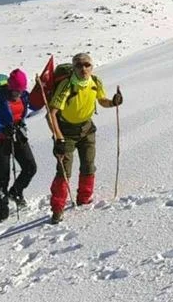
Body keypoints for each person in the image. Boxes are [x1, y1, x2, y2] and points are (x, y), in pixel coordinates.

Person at [47, 53, 122, 224]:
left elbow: (101, 100)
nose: (83, 69)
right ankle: (57, 209)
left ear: (92, 67)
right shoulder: (67, 85)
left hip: (87, 129)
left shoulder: (95, 82)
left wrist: (113, 102)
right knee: (64, 171)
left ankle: (84, 199)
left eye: (87, 65)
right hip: (66, 132)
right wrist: (59, 138)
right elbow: (52, 113)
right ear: (74, 68)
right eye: (79, 65)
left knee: (88, 165)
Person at [0, 68, 37, 222]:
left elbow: (35, 105)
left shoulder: (24, 95)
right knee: (3, 177)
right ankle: (3, 211)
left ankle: (15, 192)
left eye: (21, 90)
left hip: (17, 136)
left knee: (30, 167)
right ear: (9, 86)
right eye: (16, 90)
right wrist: (3, 128)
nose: (18, 94)